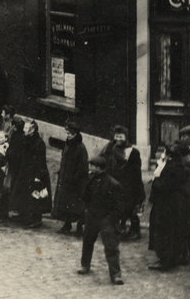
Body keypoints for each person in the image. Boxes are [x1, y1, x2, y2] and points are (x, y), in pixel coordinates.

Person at [77, 157, 126, 285]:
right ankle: (85, 265)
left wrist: (111, 219)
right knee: (87, 241)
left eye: (92, 166)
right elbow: (85, 196)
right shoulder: (91, 180)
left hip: (106, 219)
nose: (90, 168)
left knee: (111, 246)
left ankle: (116, 274)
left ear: (99, 167)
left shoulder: (113, 184)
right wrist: (87, 211)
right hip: (92, 217)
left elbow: (119, 206)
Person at [100, 126, 145, 241]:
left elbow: (136, 171)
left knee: (130, 207)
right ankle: (117, 228)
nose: (118, 139)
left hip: (128, 183)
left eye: (121, 136)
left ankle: (135, 231)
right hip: (114, 182)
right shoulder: (109, 148)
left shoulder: (132, 152)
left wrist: (136, 186)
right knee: (115, 207)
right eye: (116, 136)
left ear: (126, 137)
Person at [9, 118, 50, 228]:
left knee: (35, 195)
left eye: (27, 128)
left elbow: (41, 161)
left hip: (35, 172)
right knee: (24, 194)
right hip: (24, 171)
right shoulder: (25, 139)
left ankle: (36, 219)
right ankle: (23, 215)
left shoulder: (39, 143)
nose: (24, 130)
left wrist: (38, 176)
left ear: (33, 129)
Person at [53, 121, 89, 236]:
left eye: (69, 134)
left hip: (76, 183)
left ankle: (80, 227)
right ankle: (67, 225)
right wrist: (61, 171)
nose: (67, 135)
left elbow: (82, 167)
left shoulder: (80, 148)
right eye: (67, 133)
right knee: (66, 203)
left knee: (77, 205)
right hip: (66, 179)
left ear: (75, 134)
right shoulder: (68, 145)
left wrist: (74, 179)